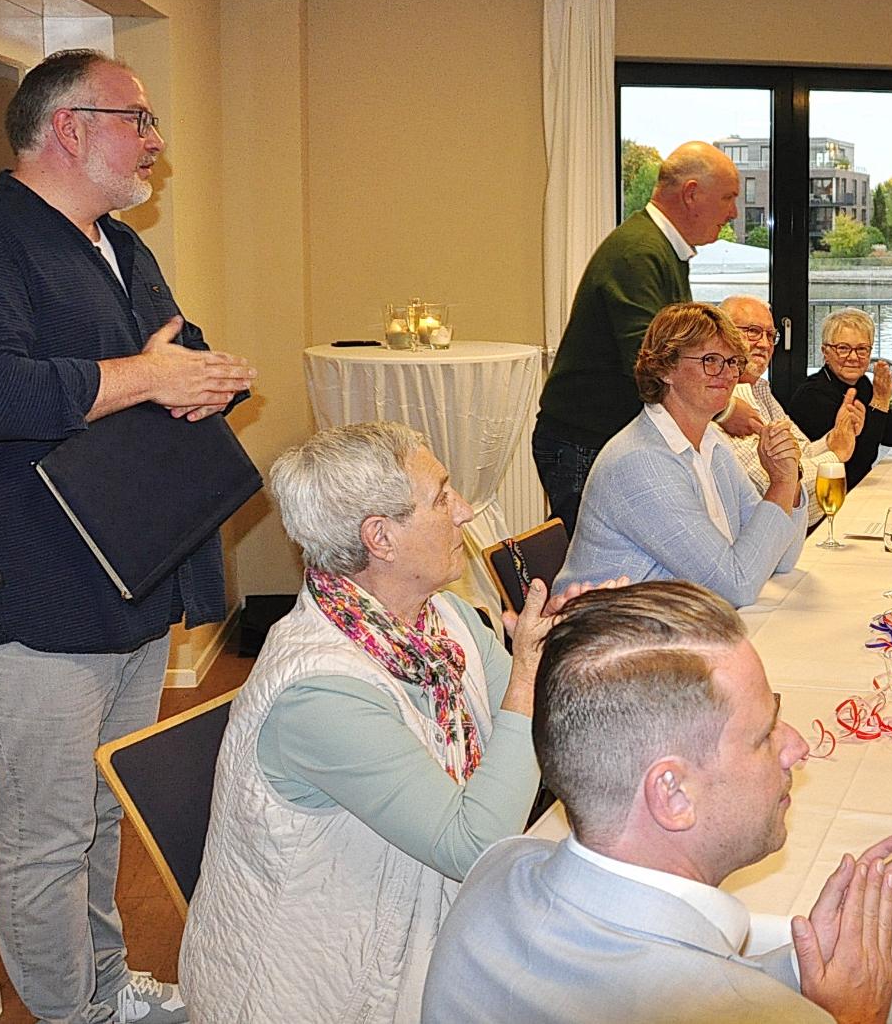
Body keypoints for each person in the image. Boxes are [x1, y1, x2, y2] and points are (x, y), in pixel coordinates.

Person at [0, 50, 257, 1024]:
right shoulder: (2, 238)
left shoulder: (120, 246)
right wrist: (148, 379)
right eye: (137, 119)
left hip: (133, 577)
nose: (155, 140)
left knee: (105, 809)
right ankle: (67, 1012)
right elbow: (3, 389)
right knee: (44, 834)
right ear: (69, 127)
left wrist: (199, 378)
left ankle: (102, 987)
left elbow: (168, 357)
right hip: (40, 594)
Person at [181, 423, 601, 1022]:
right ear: (380, 538)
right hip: (320, 992)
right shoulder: (320, 693)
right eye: (441, 496)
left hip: (413, 931)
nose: (463, 510)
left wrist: (589, 643)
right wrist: (529, 672)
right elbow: (474, 845)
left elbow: (544, 723)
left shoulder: (442, 618)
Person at [423, 581, 892, 1023]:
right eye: (764, 735)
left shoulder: (498, 871)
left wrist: (799, 970)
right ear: (672, 794)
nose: (797, 748)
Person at [532, 141, 740, 536]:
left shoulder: (656, 249)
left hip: (597, 436)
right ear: (691, 194)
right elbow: (650, 361)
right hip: (587, 440)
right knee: (600, 564)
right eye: (728, 197)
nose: (733, 212)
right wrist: (725, 410)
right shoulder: (639, 254)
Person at [554, 302, 805, 607]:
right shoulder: (641, 461)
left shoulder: (711, 442)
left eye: (733, 361)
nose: (727, 373)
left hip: (671, 621)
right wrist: (779, 484)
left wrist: (789, 479)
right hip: (612, 629)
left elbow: (782, 557)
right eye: (710, 360)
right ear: (664, 368)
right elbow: (735, 586)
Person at [719, 294, 866, 527]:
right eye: (753, 332)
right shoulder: (724, 403)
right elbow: (775, 485)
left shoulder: (759, 389)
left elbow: (801, 451)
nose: (765, 344)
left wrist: (834, 439)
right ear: (721, 336)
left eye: (770, 335)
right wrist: (836, 456)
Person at [788, 308, 892, 487]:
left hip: (859, 485)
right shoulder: (812, 395)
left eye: (861, 349)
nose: (853, 357)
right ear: (825, 352)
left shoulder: (862, 384)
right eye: (843, 348)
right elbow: (857, 460)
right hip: (822, 491)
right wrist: (879, 402)